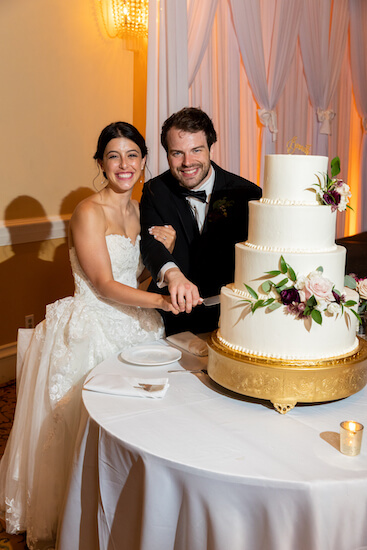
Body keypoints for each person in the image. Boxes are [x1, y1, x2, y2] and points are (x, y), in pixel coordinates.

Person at [0, 122, 178, 550]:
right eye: (113, 156)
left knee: (138, 423)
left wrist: (163, 250)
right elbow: (102, 283)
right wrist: (161, 301)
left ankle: (125, 506)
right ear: (100, 162)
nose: (124, 164)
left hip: (135, 322)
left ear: (143, 161)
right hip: (93, 323)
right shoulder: (88, 211)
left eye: (132, 155)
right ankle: (78, 513)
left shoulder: (141, 211)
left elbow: (128, 275)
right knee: (83, 426)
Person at [140, 107, 262, 335]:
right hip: (172, 316)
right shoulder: (155, 190)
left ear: (210, 148)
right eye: (177, 153)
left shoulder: (248, 193)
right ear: (167, 154)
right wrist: (173, 274)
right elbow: (150, 245)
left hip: (232, 318)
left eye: (196, 150)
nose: (187, 162)